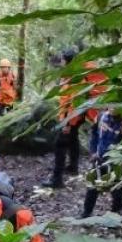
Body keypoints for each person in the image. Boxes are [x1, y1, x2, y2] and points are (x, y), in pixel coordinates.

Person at [43, 46, 82, 188]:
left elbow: (71, 101)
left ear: (68, 61)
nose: (61, 62)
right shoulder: (73, 74)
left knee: (60, 146)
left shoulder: (74, 78)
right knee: (73, 140)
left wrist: (66, 122)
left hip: (70, 117)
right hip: (75, 116)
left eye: (63, 60)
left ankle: (57, 179)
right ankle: (73, 166)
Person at [82, 109, 122, 217]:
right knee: (92, 186)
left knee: (117, 189)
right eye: (110, 103)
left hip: (117, 161)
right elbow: (94, 134)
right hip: (99, 157)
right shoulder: (101, 116)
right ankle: (86, 213)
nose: (113, 107)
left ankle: (115, 214)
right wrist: (93, 151)